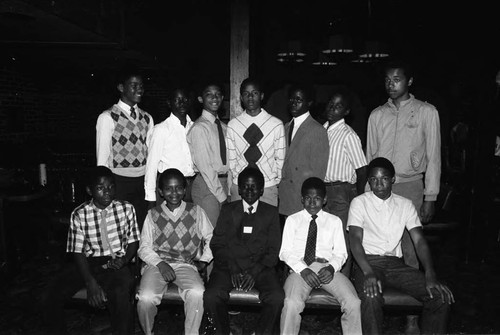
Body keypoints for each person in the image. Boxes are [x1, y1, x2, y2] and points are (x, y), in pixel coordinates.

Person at [348, 157, 454, 334]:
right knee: (370, 296)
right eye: (373, 179)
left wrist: (429, 272)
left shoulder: (405, 204)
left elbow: (419, 240)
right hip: (368, 262)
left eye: (384, 179)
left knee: (439, 297)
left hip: (395, 264)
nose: (378, 184)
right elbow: (355, 240)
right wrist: (368, 272)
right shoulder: (359, 203)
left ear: (393, 179)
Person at [40, 166, 140, 335]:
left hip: (117, 261)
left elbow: (133, 241)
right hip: (89, 262)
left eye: (111, 187)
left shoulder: (126, 209)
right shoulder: (79, 214)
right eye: (100, 188)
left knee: (120, 293)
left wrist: (124, 260)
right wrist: (90, 282)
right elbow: (77, 251)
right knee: (50, 294)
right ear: (90, 190)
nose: (107, 192)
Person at [203, 167, 284, 335]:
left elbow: (273, 250)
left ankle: (262, 332)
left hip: (260, 268)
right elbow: (217, 244)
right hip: (229, 266)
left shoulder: (270, 213)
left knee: (276, 297)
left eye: (254, 186)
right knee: (212, 295)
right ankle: (223, 332)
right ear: (238, 189)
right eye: (245, 186)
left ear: (262, 190)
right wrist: (232, 268)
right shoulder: (228, 210)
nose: (249, 190)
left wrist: (253, 272)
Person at [280, 177, 362, 335]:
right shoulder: (292, 220)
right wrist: (303, 269)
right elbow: (284, 252)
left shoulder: (334, 221)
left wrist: (331, 268)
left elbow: (341, 253)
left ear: (324, 200)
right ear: (302, 199)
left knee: (353, 302)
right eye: (308, 198)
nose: (312, 203)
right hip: (300, 269)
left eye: (317, 198)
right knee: (291, 303)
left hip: (326, 269)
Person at [136, 168, 213, 335]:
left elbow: (212, 237)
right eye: (168, 188)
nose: (174, 192)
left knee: (197, 292)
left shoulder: (196, 211)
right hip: (157, 264)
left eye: (178, 187)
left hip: (184, 264)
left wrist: (204, 259)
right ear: (161, 192)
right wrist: (161, 264)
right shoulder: (152, 215)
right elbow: (144, 247)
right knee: (145, 298)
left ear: (185, 190)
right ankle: (148, 332)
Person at [366, 59, 441, 225]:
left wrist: (430, 197)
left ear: (410, 81)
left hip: (410, 186)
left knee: (409, 244)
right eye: (387, 80)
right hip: (379, 187)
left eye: (396, 80)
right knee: (379, 243)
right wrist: (367, 191)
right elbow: (370, 157)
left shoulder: (426, 112)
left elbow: (434, 157)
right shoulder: (377, 115)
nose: (391, 85)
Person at [96, 66, 154, 229]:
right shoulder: (107, 117)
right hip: (119, 181)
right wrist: (103, 188)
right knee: (120, 225)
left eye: (141, 86)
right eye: (134, 85)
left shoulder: (147, 118)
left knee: (140, 226)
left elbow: (149, 154)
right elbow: (102, 159)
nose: (139, 89)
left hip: (141, 181)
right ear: (121, 88)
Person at [322, 87, 367, 276]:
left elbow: (362, 169)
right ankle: (326, 279)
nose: (333, 108)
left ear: (346, 112)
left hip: (341, 191)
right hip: (324, 191)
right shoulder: (322, 129)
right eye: (331, 104)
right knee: (325, 239)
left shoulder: (349, 135)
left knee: (341, 240)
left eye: (339, 106)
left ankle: (344, 280)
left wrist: (357, 197)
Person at [226, 78, 286, 206]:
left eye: (255, 93)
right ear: (241, 97)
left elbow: (280, 159)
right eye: (246, 94)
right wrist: (236, 182)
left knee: (265, 225)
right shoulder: (233, 125)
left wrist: (275, 182)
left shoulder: (276, 124)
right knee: (239, 225)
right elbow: (231, 161)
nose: (250, 97)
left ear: (262, 96)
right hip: (240, 187)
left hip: (267, 187)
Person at [279, 84, 329, 217]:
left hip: (303, 199)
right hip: (285, 198)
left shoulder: (317, 130)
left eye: (299, 100)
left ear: (309, 103)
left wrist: (311, 200)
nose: (294, 103)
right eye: (291, 99)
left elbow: (319, 172)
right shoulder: (285, 127)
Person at [187, 82, 230, 228]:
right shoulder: (200, 128)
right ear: (200, 99)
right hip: (207, 185)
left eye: (218, 94)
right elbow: (205, 166)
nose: (214, 98)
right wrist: (222, 196)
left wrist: (227, 189)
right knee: (210, 234)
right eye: (209, 94)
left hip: (223, 183)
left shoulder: (224, 128)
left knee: (222, 233)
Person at [144, 88, 196, 208]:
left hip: (192, 187)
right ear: (169, 103)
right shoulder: (161, 130)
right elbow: (151, 165)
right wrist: (151, 197)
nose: (181, 103)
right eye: (177, 100)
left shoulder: (195, 127)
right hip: (169, 188)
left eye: (184, 99)